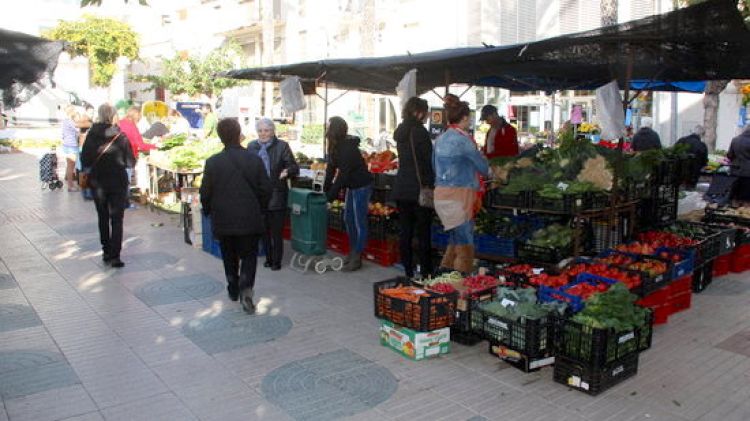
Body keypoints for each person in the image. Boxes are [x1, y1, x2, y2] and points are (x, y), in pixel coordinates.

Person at [200, 118, 271, 314]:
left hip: (223, 218)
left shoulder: (213, 162)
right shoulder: (254, 160)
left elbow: (205, 193)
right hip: (249, 217)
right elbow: (266, 189)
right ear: (239, 134)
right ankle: (246, 289)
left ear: (220, 137)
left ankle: (233, 287)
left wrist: (208, 211)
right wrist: (260, 208)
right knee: (249, 255)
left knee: (228, 255)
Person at [434, 95, 489, 273]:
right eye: (469, 118)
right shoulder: (463, 141)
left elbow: (433, 166)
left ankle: (445, 276)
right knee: (465, 243)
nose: (470, 121)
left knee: (455, 239)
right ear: (464, 118)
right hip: (459, 196)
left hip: (441, 194)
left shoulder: (441, 139)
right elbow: (482, 167)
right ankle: (461, 282)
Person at [81, 104, 135, 268]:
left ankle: (106, 250)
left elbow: (85, 159)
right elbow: (130, 161)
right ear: (112, 116)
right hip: (117, 182)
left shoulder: (91, 135)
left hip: (98, 182)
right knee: (117, 219)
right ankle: (115, 255)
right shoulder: (120, 136)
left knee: (102, 217)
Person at [247, 117, 299, 271]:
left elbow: (294, 167)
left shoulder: (282, 146)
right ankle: (268, 258)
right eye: (260, 131)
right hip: (259, 196)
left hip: (277, 193)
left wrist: (287, 171)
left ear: (273, 131)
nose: (263, 134)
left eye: (266, 130)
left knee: (276, 231)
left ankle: (276, 260)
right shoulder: (252, 146)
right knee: (263, 231)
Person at [391, 97, 434, 279]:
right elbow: (426, 162)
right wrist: (431, 183)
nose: (426, 116)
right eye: (425, 112)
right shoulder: (420, 132)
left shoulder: (400, 131)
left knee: (405, 231)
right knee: (423, 232)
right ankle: (425, 272)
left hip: (402, 187)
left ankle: (408, 271)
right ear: (418, 112)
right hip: (418, 188)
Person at [323, 116, 373, 271]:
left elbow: (343, 175)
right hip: (352, 186)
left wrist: (331, 195)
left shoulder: (347, 148)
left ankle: (357, 256)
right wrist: (325, 188)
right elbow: (331, 168)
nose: (327, 130)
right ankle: (353, 251)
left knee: (359, 221)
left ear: (334, 131)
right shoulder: (335, 146)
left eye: (329, 127)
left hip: (362, 185)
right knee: (348, 218)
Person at [119, 106, 155, 181]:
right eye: (139, 116)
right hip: (128, 158)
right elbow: (141, 145)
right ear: (137, 115)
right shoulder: (132, 126)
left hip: (117, 157)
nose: (139, 119)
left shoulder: (120, 123)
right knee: (126, 183)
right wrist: (156, 146)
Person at [728, 124, 750, 204]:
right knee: (746, 199)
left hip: (735, 171)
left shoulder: (735, 140)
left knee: (734, 196)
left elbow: (730, 155)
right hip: (748, 174)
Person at [61, 105, 81, 192]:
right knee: (71, 166)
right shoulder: (70, 121)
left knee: (70, 166)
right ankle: (70, 186)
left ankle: (71, 184)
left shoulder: (65, 121)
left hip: (67, 144)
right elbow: (78, 129)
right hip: (71, 145)